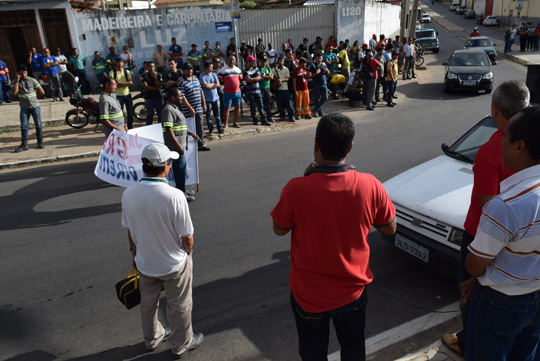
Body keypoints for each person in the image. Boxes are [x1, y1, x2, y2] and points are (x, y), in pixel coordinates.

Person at [271, 113, 396, 361]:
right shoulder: (370, 185)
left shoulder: (296, 188)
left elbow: (279, 228)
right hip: (353, 294)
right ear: (349, 148)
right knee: (353, 350)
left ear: (316, 144)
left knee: (313, 353)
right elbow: (389, 229)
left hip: (308, 297)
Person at [441, 80, 530, 356]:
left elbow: (490, 208)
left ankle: (467, 342)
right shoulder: (531, 147)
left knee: (471, 297)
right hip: (525, 263)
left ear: (494, 109)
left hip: (484, 238)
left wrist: (478, 269)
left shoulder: (492, 150)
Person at [464, 105, 540, 361]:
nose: (500, 142)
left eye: (505, 136)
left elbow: (475, 265)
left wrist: (476, 275)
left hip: (502, 303)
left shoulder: (505, 206)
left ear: (519, 146)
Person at [121, 142, 203, 359]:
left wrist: (134, 255)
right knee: (179, 305)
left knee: (148, 303)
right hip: (173, 263)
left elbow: (130, 231)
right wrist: (187, 253)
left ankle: (152, 338)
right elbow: (188, 237)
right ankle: (182, 343)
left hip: (145, 262)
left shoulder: (129, 194)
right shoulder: (175, 196)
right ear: (166, 166)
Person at [160, 87, 199, 202]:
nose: (182, 98)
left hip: (181, 144)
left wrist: (191, 133)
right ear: (173, 97)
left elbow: (180, 127)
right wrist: (178, 146)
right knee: (180, 170)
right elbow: (168, 129)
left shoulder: (175, 108)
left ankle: (182, 189)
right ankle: (181, 194)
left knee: (182, 170)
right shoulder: (168, 109)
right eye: (180, 96)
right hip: (176, 147)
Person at [12, 64, 45, 152]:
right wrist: (17, 81)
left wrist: (35, 98)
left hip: (35, 106)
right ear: (18, 74)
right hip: (24, 108)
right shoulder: (16, 82)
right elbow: (15, 92)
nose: (24, 75)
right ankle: (24, 144)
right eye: (21, 73)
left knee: (38, 125)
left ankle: (40, 141)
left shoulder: (32, 80)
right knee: (24, 126)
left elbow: (42, 91)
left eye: (25, 73)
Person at [178, 63, 209, 151]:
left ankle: (200, 144)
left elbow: (201, 91)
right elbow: (182, 97)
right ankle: (189, 146)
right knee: (189, 129)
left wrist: (204, 104)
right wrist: (190, 108)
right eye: (188, 69)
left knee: (200, 128)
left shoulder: (195, 78)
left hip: (198, 108)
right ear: (184, 70)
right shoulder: (182, 81)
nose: (190, 70)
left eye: (191, 69)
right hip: (188, 111)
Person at [243, 55, 270, 126]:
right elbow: (248, 80)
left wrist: (252, 79)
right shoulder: (245, 71)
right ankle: (255, 120)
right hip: (250, 92)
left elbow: (259, 77)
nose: (254, 62)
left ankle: (263, 120)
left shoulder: (256, 69)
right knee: (252, 107)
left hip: (258, 91)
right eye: (252, 61)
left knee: (261, 106)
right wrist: (255, 79)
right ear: (248, 62)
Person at [217, 55, 242, 129]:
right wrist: (227, 84)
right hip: (228, 92)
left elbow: (240, 79)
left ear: (235, 61)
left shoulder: (238, 70)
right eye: (230, 60)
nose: (232, 61)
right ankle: (226, 124)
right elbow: (219, 80)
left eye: (233, 60)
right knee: (227, 108)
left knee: (237, 107)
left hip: (237, 92)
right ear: (227, 60)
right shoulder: (223, 70)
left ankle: (235, 122)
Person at [200, 61, 224, 134]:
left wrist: (210, 86)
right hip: (207, 100)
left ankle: (219, 128)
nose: (212, 68)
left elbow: (218, 84)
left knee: (218, 115)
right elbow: (205, 85)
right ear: (206, 68)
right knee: (209, 116)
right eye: (210, 67)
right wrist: (213, 85)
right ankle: (210, 129)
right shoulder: (202, 76)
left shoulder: (213, 75)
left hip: (216, 98)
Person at [109, 58, 134, 129]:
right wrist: (125, 84)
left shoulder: (127, 72)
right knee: (120, 113)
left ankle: (130, 127)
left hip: (127, 94)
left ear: (123, 63)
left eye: (121, 62)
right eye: (118, 62)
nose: (119, 64)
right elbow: (113, 85)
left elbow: (130, 83)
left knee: (130, 112)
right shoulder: (112, 72)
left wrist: (119, 83)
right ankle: (121, 127)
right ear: (115, 63)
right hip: (118, 96)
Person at [141, 61, 164, 126]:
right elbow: (146, 87)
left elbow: (160, 85)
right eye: (150, 66)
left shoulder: (159, 75)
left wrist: (155, 78)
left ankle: (160, 128)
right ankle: (149, 128)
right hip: (149, 98)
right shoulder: (145, 75)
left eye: (153, 66)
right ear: (147, 67)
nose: (152, 68)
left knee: (160, 115)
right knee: (149, 115)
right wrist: (156, 88)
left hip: (158, 98)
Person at [273, 56, 295, 122]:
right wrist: (277, 80)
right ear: (277, 61)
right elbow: (272, 77)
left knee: (289, 103)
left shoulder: (286, 69)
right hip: (278, 90)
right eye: (279, 61)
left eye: (282, 61)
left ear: (283, 62)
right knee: (279, 104)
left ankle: (291, 116)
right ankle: (282, 116)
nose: (280, 62)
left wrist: (281, 80)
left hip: (285, 89)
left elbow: (288, 78)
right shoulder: (274, 69)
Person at [309, 53, 329, 117]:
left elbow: (328, 73)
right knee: (317, 99)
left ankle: (315, 110)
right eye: (318, 58)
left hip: (324, 84)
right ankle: (319, 112)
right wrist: (316, 73)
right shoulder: (313, 66)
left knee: (325, 97)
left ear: (322, 58)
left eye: (320, 58)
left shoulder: (324, 65)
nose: (319, 59)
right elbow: (311, 76)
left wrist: (327, 71)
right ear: (315, 59)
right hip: (317, 84)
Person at [259, 57, 274, 123]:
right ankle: (263, 118)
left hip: (267, 88)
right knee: (261, 104)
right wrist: (267, 77)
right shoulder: (258, 69)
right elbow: (259, 78)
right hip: (260, 88)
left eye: (265, 61)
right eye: (263, 61)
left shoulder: (268, 68)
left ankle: (269, 117)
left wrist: (264, 77)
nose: (264, 63)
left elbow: (271, 77)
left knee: (268, 103)